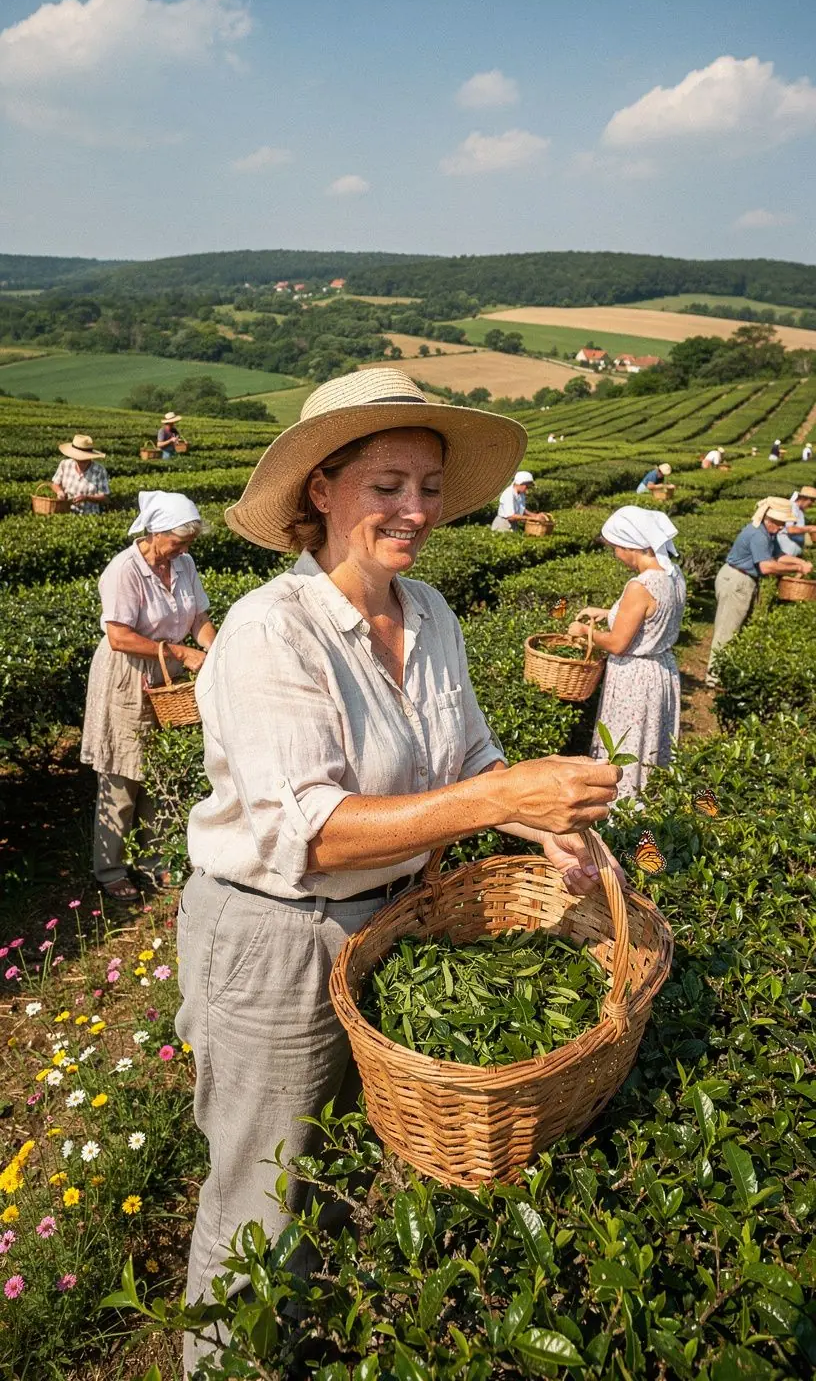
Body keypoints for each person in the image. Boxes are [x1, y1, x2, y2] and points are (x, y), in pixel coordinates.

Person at [175, 368, 622, 1371]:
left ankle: (297, 1343)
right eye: (387, 485)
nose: (414, 510)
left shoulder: (429, 614)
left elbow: (469, 761)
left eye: (427, 486)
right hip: (276, 938)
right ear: (321, 491)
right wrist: (502, 803)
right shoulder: (269, 632)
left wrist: (543, 828)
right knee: (259, 1197)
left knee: (332, 1167)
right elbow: (317, 833)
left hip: (394, 928)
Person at [80, 491, 216, 900]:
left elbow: (200, 620)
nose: (184, 549)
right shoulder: (124, 570)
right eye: (179, 541)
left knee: (159, 771)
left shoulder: (184, 564)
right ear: (154, 533)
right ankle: (109, 870)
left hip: (168, 677)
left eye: (188, 542)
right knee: (122, 775)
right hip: (128, 676)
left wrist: (217, 650)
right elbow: (119, 637)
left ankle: (154, 861)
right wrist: (179, 652)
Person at [567, 507, 686, 801]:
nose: (616, 556)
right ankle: (647, 805)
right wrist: (608, 612)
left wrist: (585, 633)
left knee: (627, 743)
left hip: (635, 678)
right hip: (661, 669)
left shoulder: (640, 586)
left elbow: (619, 643)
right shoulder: (672, 574)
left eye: (616, 549)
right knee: (649, 744)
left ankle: (621, 811)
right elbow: (650, 618)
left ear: (630, 546)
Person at [705, 497, 813, 686]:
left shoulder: (768, 532)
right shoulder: (758, 534)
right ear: (770, 520)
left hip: (745, 580)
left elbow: (778, 556)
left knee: (736, 629)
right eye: (780, 523)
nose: (782, 528)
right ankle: (714, 679)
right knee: (727, 630)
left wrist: (799, 562)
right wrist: (794, 569)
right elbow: (766, 567)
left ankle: (724, 673)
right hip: (737, 580)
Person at [51, 434, 110, 515]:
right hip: (66, 512)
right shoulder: (65, 464)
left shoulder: (99, 470)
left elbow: (104, 497)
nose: (81, 461)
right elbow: (55, 484)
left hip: (90, 515)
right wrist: (60, 492)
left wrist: (86, 498)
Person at [778, 487, 816, 556]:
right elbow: (790, 529)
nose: (812, 504)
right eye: (812, 500)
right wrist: (810, 528)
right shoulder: (792, 507)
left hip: (793, 553)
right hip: (785, 552)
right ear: (804, 498)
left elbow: (801, 528)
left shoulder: (800, 511)